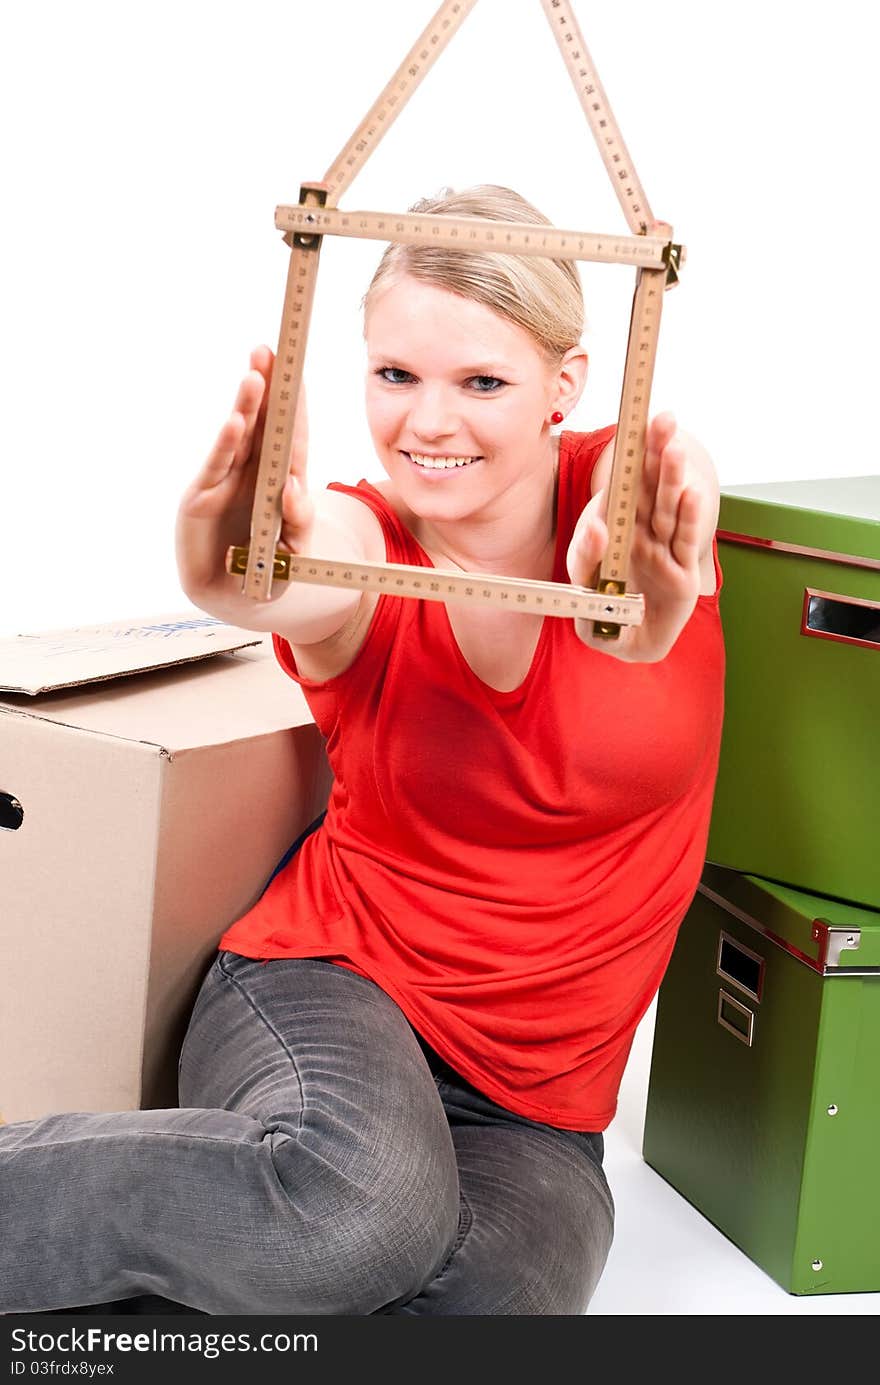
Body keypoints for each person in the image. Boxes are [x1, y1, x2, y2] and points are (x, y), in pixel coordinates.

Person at [1, 185, 724, 1317]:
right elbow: (301, 568)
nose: (427, 423)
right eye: (395, 375)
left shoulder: (627, 512)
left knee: (468, 1306)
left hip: (538, 1109)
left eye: (480, 381)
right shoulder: (365, 536)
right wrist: (251, 564)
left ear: (566, 386)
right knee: (352, 1215)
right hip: (332, 988)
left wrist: (634, 606)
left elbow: (665, 541)